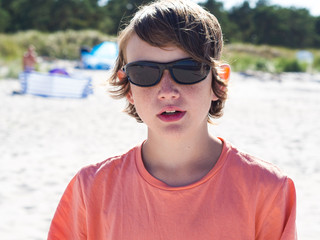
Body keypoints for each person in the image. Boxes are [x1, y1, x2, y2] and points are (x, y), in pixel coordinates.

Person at [48, 0, 297, 239]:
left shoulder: (268, 189)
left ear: (218, 81)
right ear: (128, 87)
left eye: (188, 70)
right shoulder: (92, 188)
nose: (167, 90)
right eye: (145, 72)